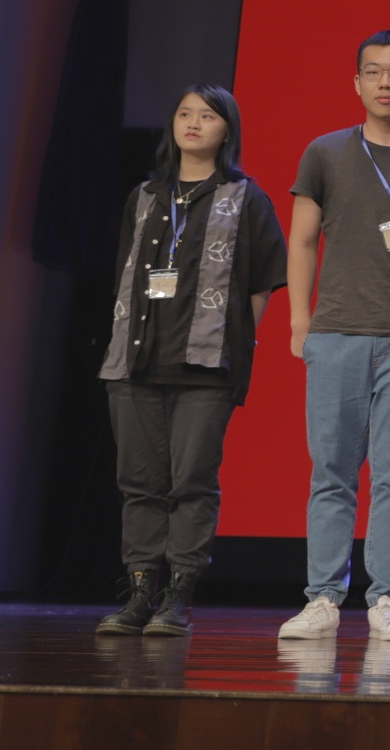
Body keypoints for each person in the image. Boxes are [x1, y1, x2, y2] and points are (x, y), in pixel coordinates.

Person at [279, 31, 390, 641]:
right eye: (374, 71)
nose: (386, 82)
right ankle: (322, 598)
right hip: (337, 332)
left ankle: (385, 596)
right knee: (331, 471)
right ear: (356, 82)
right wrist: (300, 320)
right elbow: (303, 240)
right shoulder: (325, 153)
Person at [95, 86, 288, 637]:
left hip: (204, 367)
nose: (193, 123)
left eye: (207, 116)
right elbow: (125, 275)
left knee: (192, 483)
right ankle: (139, 593)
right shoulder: (145, 196)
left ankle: (178, 596)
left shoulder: (246, 198)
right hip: (134, 363)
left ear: (228, 131)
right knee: (139, 484)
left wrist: (233, 340)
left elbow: (261, 285)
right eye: (184, 114)